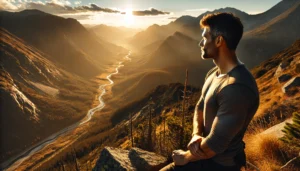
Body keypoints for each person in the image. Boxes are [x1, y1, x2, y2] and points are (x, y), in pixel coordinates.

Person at [160, 12, 259, 171]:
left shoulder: (236, 88)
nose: (201, 43)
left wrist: (185, 157)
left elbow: (215, 144)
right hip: (202, 157)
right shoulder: (214, 73)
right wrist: (196, 134)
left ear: (219, 41)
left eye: (205, 38)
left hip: (220, 165)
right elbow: (200, 107)